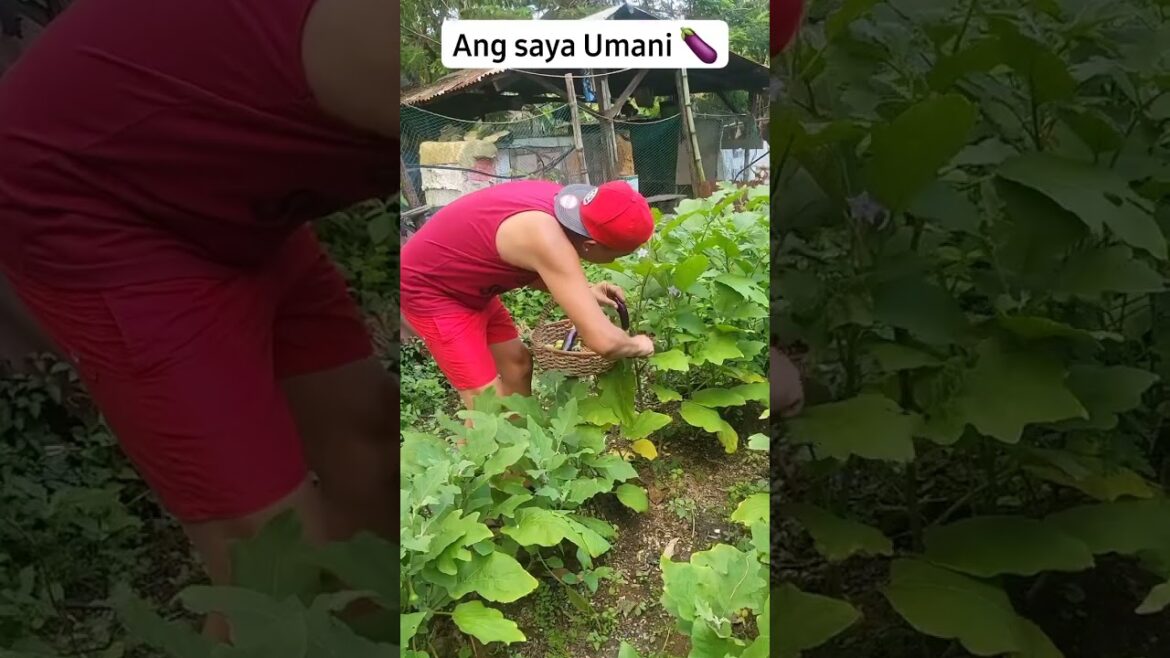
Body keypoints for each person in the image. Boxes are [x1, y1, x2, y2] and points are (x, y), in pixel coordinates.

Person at [0, 0, 397, 639]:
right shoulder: (396, 43)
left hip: (236, 193)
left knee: (374, 447)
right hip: (93, 198)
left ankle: (372, 632)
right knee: (271, 564)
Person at [401, 179, 657, 409]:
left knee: (518, 365)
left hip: (469, 284)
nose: (614, 260)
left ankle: (522, 451)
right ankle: (485, 456)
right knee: (487, 404)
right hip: (431, 291)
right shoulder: (545, 237)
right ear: (590, 245)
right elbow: (605, 342)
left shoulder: (563, 208)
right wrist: (638, 344)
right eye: (615, 256)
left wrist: (586, 291)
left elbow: (534, 268)